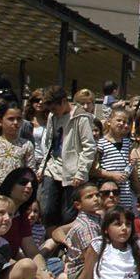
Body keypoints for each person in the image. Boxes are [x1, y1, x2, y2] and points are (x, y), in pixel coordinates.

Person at [38, 86, 97, 224]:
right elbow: (49, 143)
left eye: (55, 108)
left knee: (68, 215)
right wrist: (42, 168)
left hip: (72, 171)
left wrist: (81, 172)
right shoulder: (52, 116)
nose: (53, 112)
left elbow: (89, 147)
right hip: (52, 168)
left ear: (64, 101)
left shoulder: (81, 117)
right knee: (47, 210)